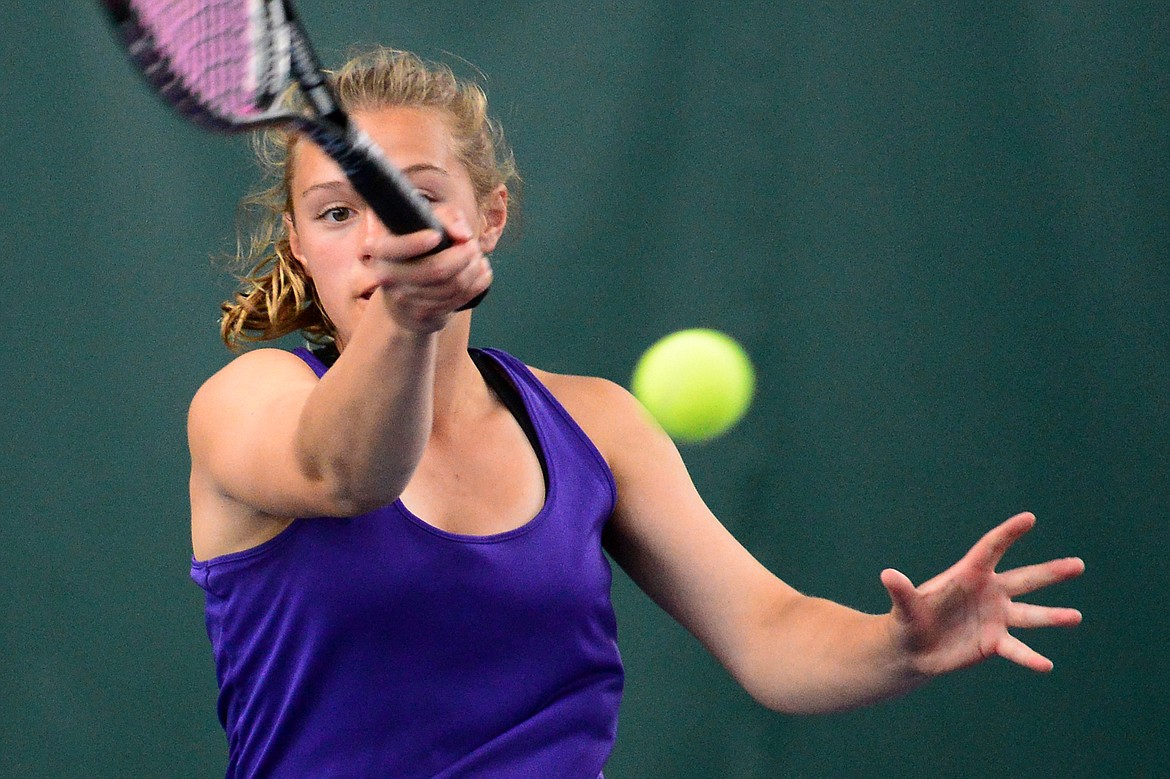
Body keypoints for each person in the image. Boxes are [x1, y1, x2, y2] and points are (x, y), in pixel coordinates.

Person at [186, 48, 1084, 778]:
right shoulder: (249, 402)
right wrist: (408, 315)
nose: (380, 233)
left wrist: (899, 645)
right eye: (338, 211)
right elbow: (347, 472)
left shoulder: (597, 424)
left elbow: (771, 634)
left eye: (416, 196)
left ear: (489, 216)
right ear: (301, 245)